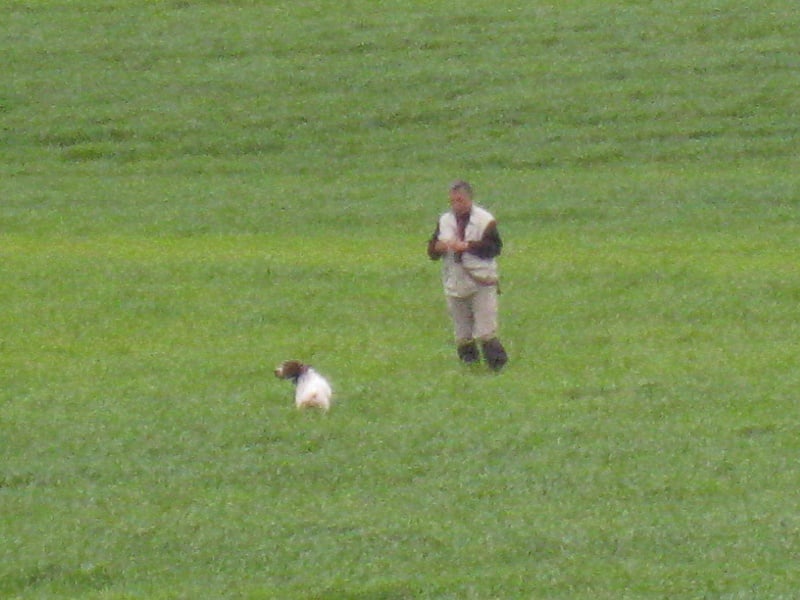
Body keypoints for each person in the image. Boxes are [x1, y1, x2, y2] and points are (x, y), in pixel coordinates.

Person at [427, 180, 508, 371]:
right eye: (452, 201)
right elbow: (432, 251)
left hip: (481, 280)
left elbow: (494, 248)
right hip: (455, 281)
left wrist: (467, 246)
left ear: (469, 199)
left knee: (486, 330)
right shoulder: (445, 221)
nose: (456, 205)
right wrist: (438, 247)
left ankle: (497, 366)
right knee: (462, 332)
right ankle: (470, 366)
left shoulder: (484, 220)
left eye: (460, 201)